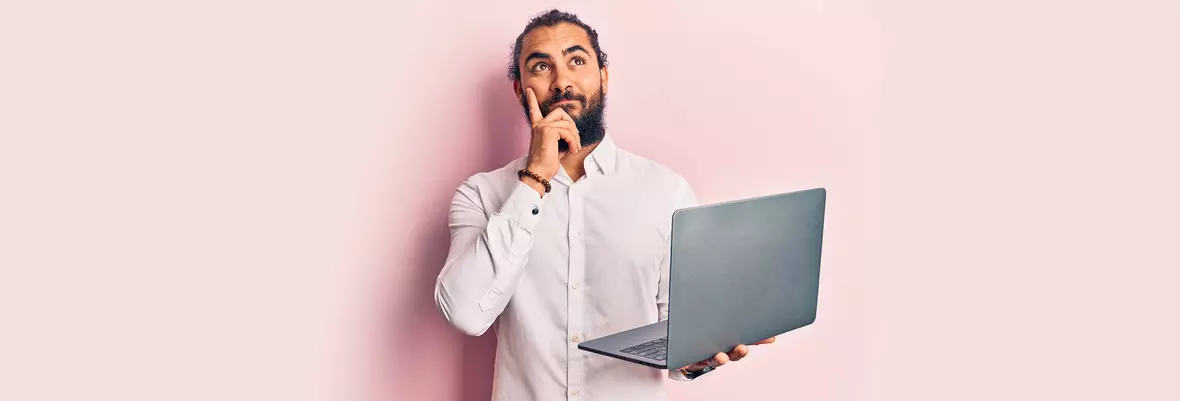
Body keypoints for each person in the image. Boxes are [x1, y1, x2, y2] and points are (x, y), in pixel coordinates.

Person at [433, 9, 775, 401]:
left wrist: (699, 357)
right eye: (541, 66)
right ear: (519, 89)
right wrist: (534, 180)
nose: (562, 81)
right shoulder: (481, 194)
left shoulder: (667, 192)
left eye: (577, 61)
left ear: (603, 76)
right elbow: (465, 313)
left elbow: (679, 338)